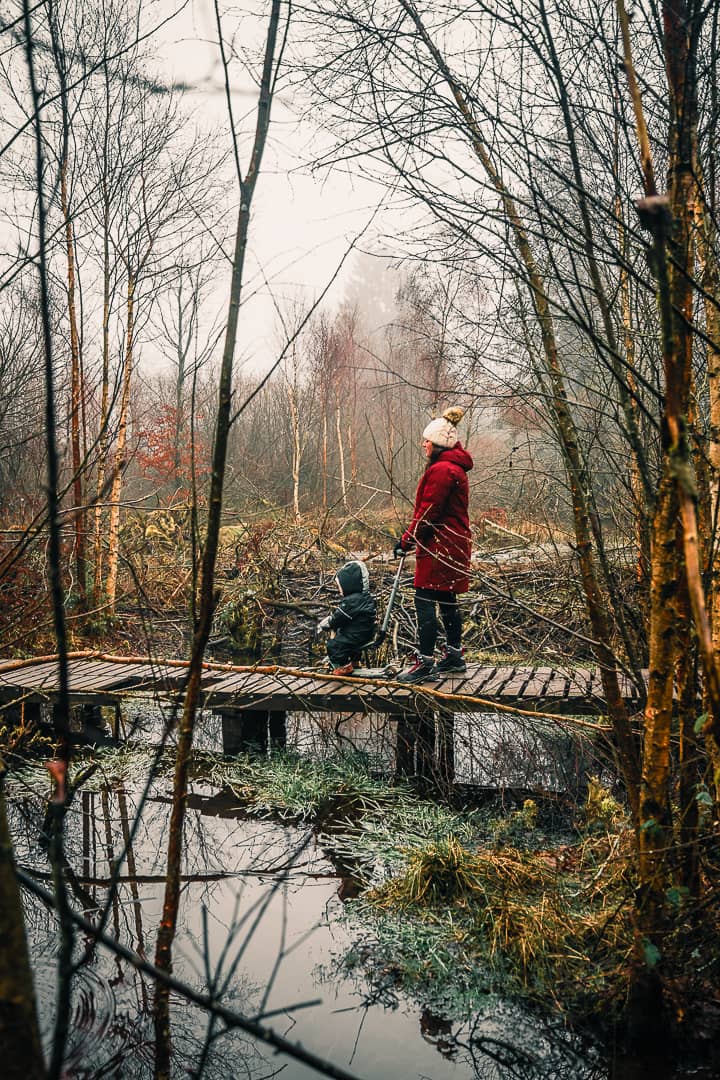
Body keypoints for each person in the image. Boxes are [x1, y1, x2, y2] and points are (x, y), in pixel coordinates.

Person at [394, 406, 473, 684]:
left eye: (427, 440)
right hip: (453, 543)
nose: (423, 444)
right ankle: (453, 656)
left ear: (438, 443)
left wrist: (406, 540)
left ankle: (425, 662)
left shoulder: (441, 471)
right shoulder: (453, 468)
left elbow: (428, 512)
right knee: (447, 598)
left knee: (425, 599)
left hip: (440, 545)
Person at [316, 559, 377, 675]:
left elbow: (339, 617)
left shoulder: (352, 601)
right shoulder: (365, 598)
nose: (339, 590)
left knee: (335, 646)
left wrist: (328, 623)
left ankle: (344, 666)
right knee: (352, 647)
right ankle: (355, 662)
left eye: (340, 586)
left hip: (355, 634)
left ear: (350, 585)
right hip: (364, 632)